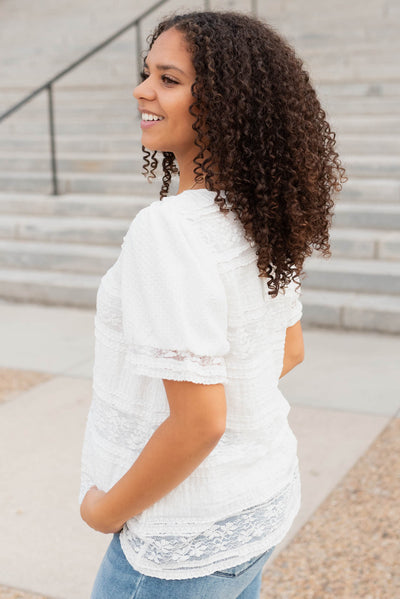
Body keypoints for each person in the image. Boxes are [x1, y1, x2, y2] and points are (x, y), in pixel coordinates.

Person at [79, 10, 346, 599]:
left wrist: (104, 512)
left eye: (168, 80)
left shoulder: (170, 230)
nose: (142, 90)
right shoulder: (260, 212)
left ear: (227, 104)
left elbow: (200, 421)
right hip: (256, 510)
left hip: (180, 537)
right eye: (147, 73)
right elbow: (290, 349)